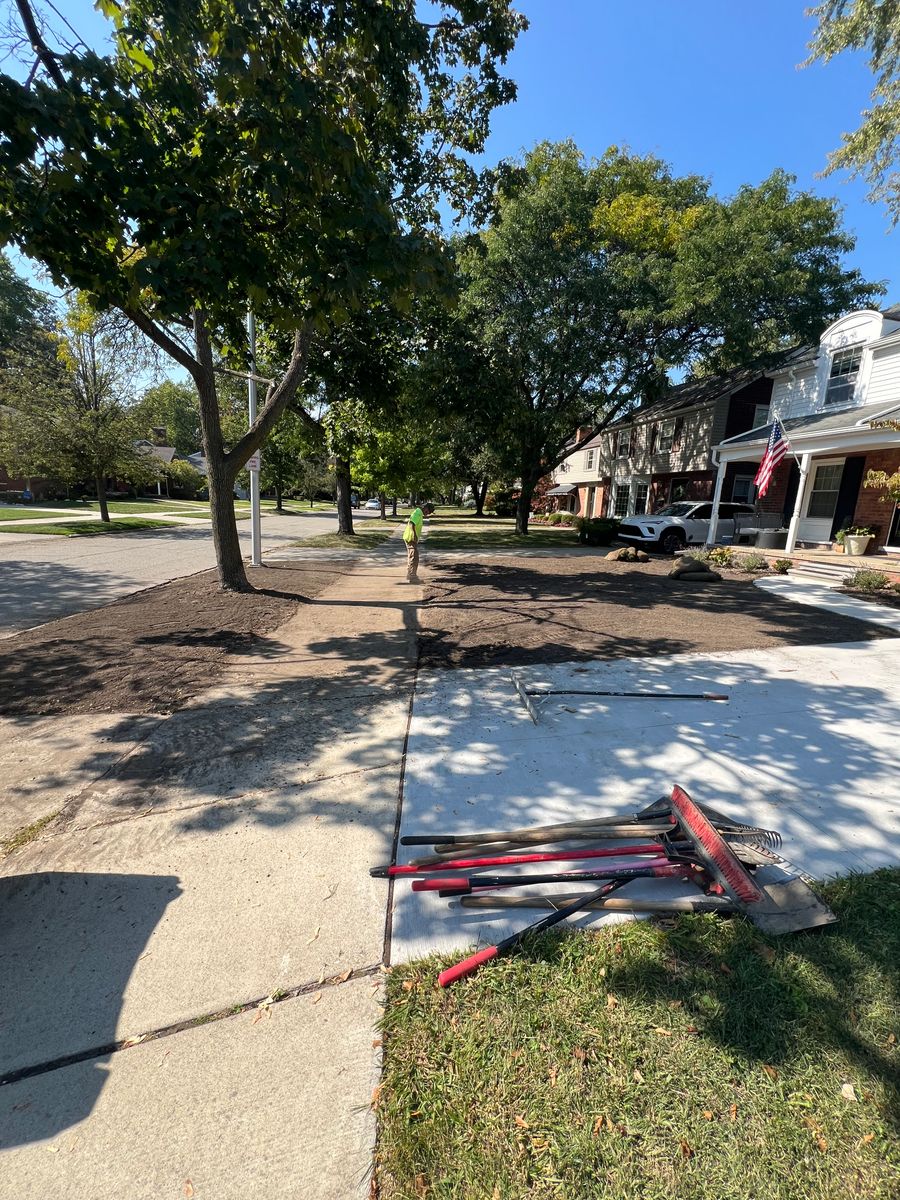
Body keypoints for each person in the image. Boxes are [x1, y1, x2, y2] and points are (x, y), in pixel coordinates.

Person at [403, 502, 434, 582]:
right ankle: (412, 577)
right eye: (429, 511)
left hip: (411, 538)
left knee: (413, 556)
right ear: (425, 508)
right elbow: (411, 523)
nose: (428, 514)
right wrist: (414, 535)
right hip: (411, 538)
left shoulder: (419, 513)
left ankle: (410, 575)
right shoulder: (417, 513)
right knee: (414, 557)